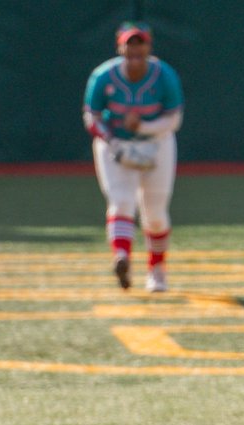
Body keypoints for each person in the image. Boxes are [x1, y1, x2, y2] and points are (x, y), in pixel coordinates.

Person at [82, 21, 183, 293]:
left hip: (156, 144)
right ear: (120, 47)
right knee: (121, 201)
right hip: (115, 145)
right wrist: (113, 140)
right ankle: (122, 257)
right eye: (130, 43)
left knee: (155, 215)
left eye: (140, 43)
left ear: (148, 47)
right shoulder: (103, 76)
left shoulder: (164, 75)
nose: (135, 49)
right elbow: (91, 115)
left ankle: (157, 270)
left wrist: (144, 127)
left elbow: (174, 119)